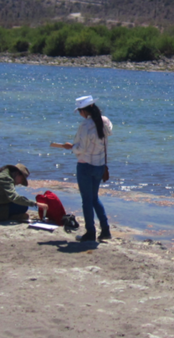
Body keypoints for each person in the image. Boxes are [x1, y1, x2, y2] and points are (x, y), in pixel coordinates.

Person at [51, 95, 112, 242]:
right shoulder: (105, 121)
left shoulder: (85, 126)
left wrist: (70, 147)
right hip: (99, 166)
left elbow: (81, 149)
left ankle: (90, 232)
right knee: (94, 198)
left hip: (85, 166)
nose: (80, 114)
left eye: (80, 111)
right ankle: (105, 230)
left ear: (84, 111)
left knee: (87, 201)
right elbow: (104, 136)